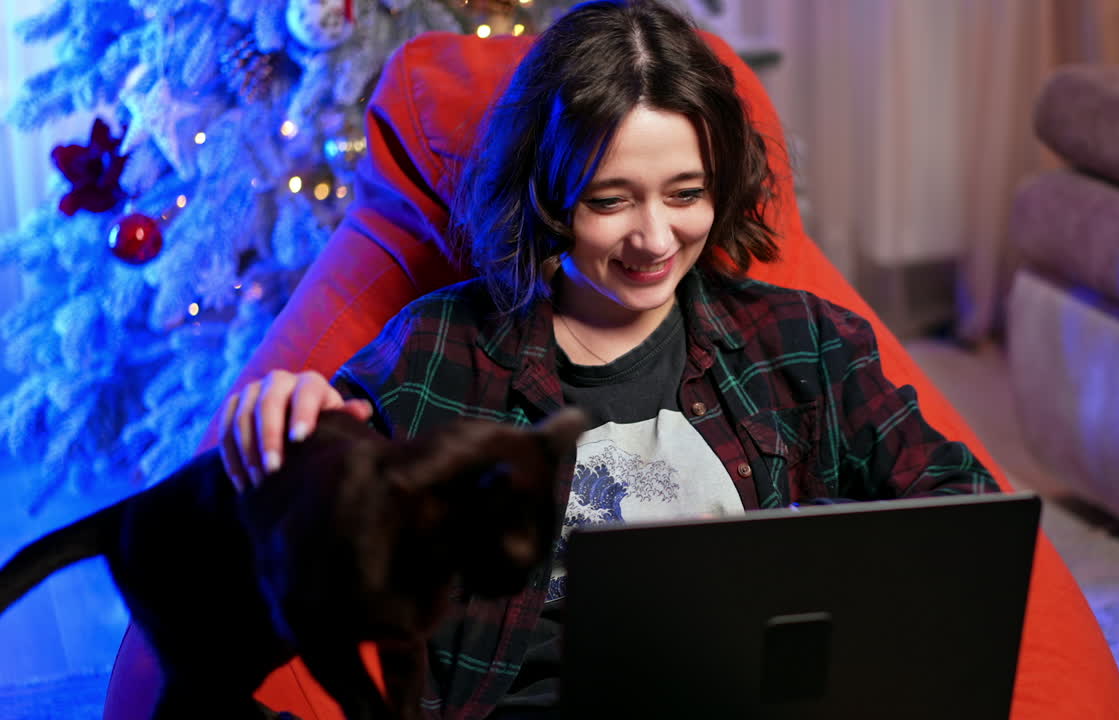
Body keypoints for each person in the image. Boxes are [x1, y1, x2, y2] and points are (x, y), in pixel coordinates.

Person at [218, 0, 998, 716]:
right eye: (611, 200)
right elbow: (306, 508)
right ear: (549, 195)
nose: (655, 241)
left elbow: (966, 517)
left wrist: (797, 549)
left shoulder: (806, 344)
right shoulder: (441, 354)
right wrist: (289, 420)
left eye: (685, 194)